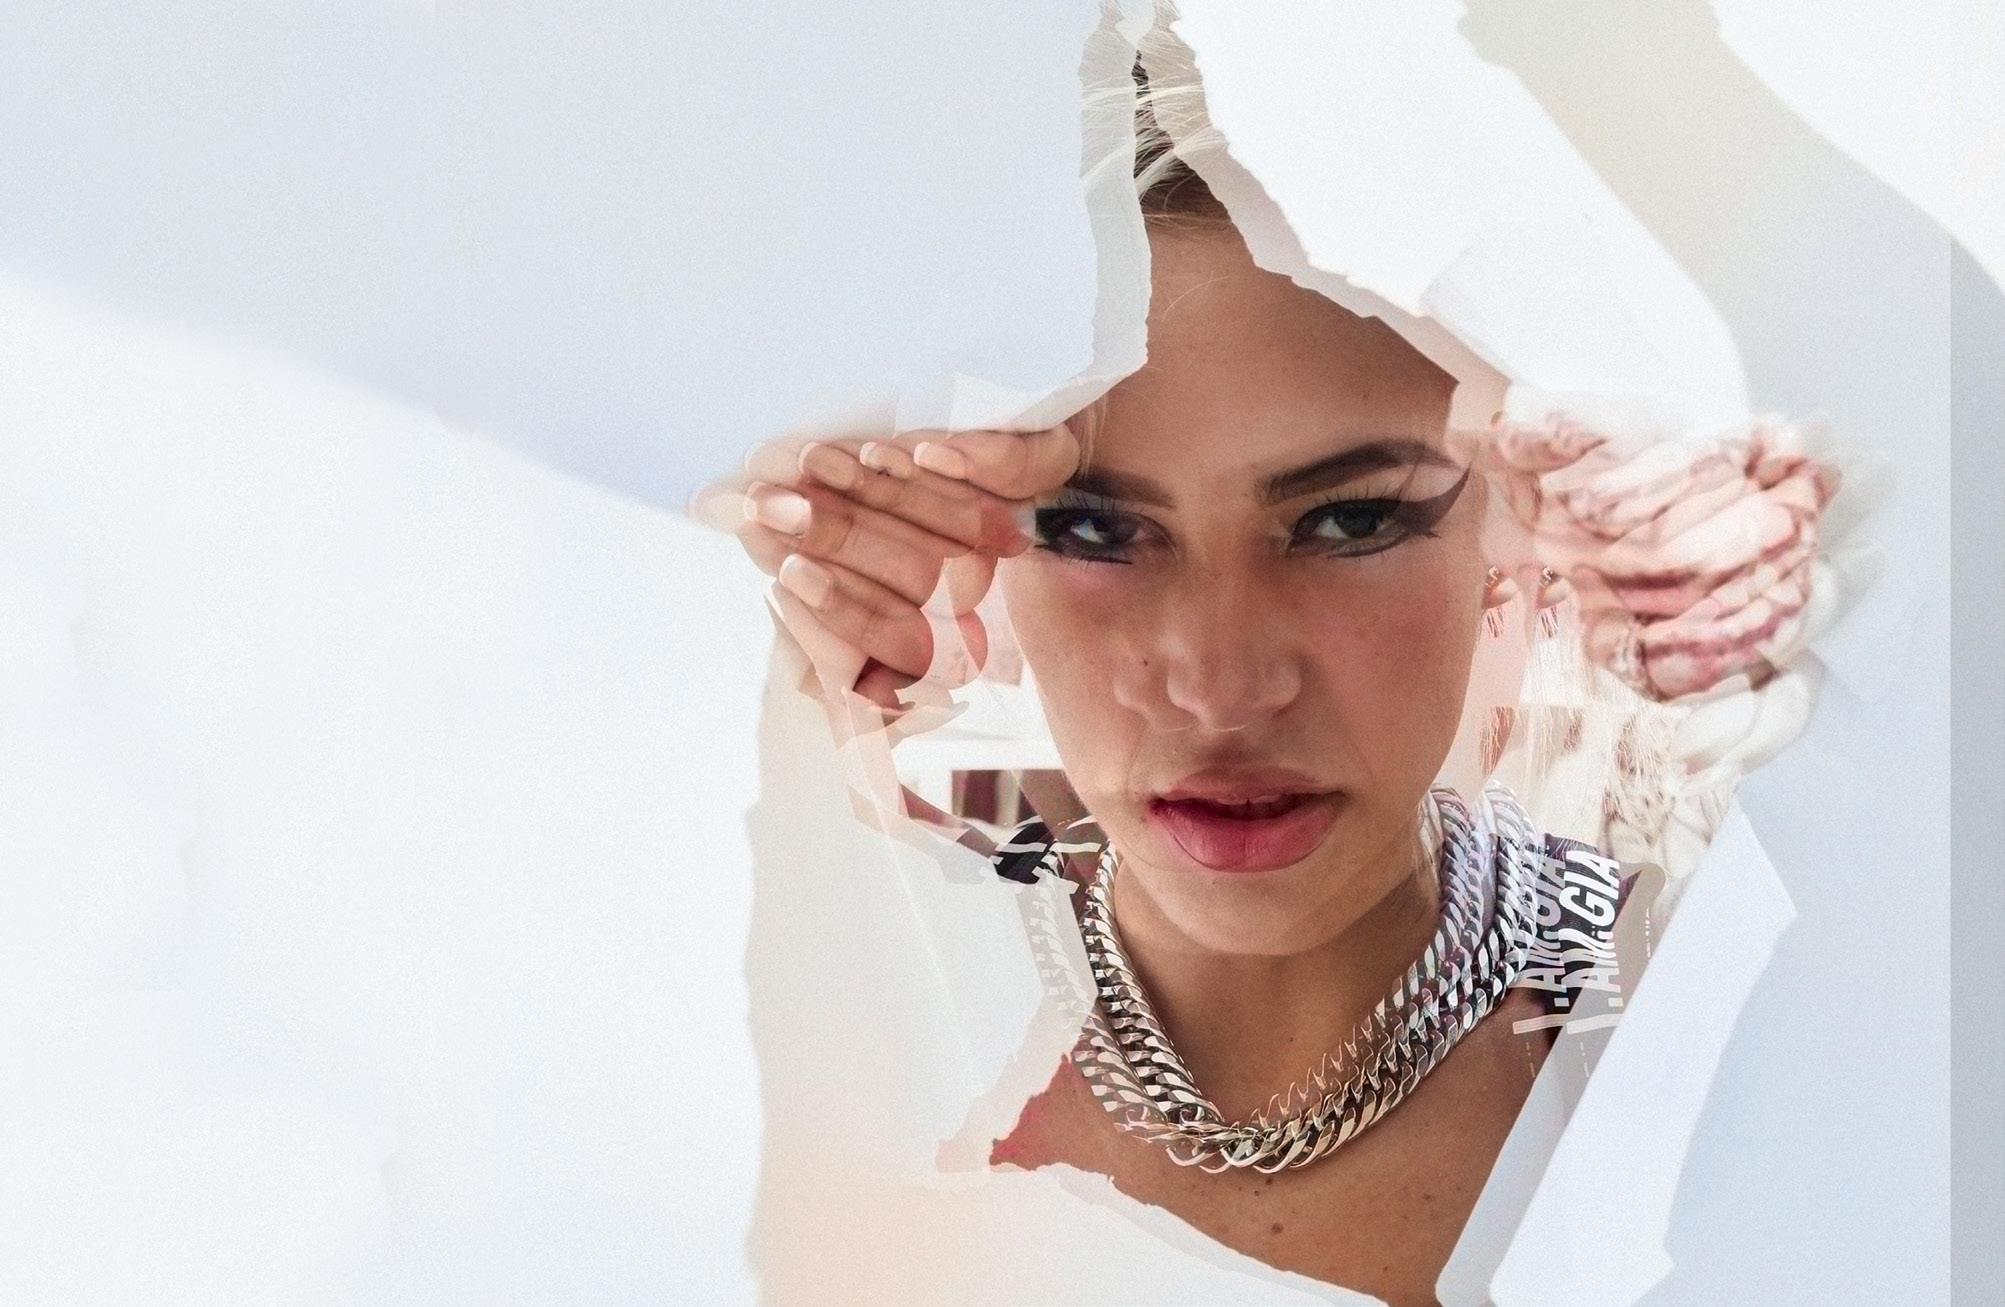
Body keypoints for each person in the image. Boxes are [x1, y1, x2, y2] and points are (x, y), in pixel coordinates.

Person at [726, 59, 1834, 1307]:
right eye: (1093, 529)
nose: (1219, 686)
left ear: (1510, 524)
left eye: (1347, 520)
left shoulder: (1715, 1032)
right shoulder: (853, 1013)